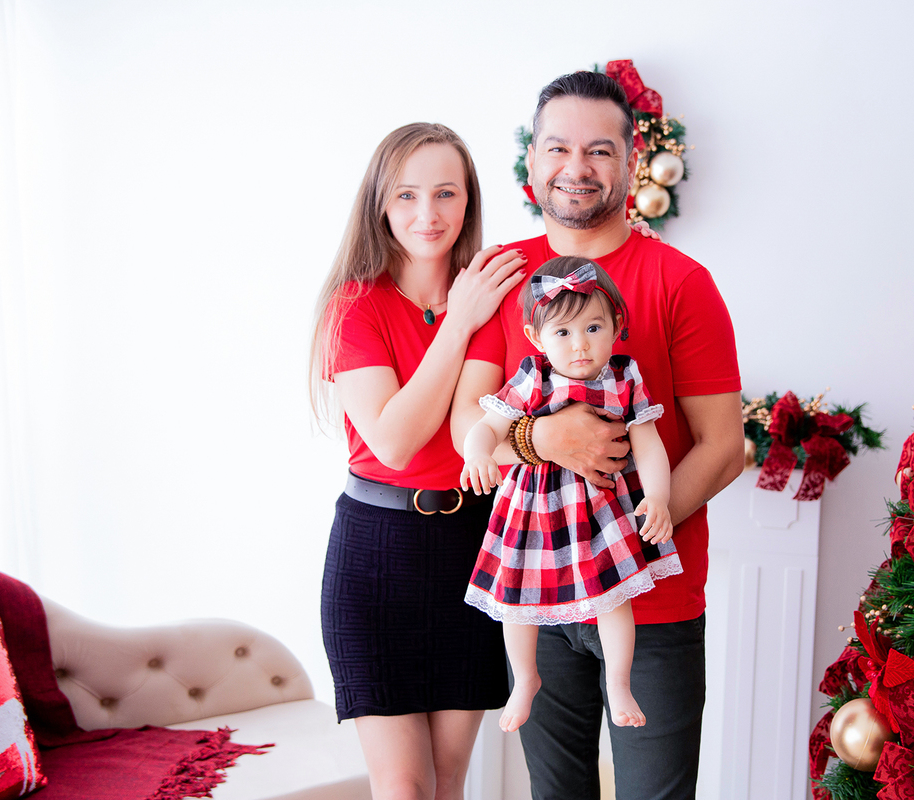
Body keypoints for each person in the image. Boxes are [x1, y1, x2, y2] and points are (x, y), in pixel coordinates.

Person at [451, 72, 745, 800]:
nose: (576, 167)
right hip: (538, 590)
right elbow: (468, 421)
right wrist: (543, 440)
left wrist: (634, 536)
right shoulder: (501, 278)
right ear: (532, 160)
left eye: (598, 150)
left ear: (630, 158)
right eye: (558, 147)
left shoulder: (683, 282)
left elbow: (722, 443)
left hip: (651, 600)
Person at [308, 122, 527, 800]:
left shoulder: (488, 297)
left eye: (444, 193)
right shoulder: (356, 307)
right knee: (403, 787)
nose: (426, 214)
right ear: (380, 203)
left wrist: (467, 311)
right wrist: (456, 321)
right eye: (406, 195)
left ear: (468, 202)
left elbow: (470, 420)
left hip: (471, 549)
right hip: (376, 557)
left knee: (448, 782)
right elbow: (395, 442)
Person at [459, 257, 678, 734]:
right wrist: (477, 455)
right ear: (537, 338)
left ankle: (618, 682)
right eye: (562, 333)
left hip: (602, 511)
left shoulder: (624, 377)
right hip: (533, 510)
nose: (580, 344)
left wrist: (658, 498)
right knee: (516, 601)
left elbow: (649, 443)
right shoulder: (533, 377)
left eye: (593, 327)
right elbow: (487, 426)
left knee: (613, 598)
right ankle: (525, 678)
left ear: (617, 325)